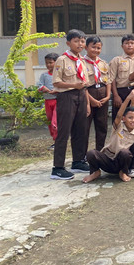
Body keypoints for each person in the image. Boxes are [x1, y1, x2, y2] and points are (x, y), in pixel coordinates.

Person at [50, 30, 91, 180]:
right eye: (76, 41)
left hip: (81, 95)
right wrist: (74, 85)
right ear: (68, 43)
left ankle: (78, 161)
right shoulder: (62, 59)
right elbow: (56, 82)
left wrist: (86, 103)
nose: (80, 44)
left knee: (80, 129)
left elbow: (84, 84)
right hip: (67, 96)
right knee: (64, 131)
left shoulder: (82, 60)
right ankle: (58, 168)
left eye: (82, 41)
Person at [83, 85, 134, 183]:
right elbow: (119, 114)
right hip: (108, 160)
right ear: (124, 119)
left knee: (125, 152)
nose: (133, 120)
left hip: (122, 161)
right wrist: (128, 97)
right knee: (91, 153)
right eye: (130, 118)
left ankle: (123, 172)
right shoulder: (119, 126)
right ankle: (95, 172)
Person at [109, 34, 134, 124]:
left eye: (132, 43)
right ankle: (118, 137)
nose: (129, 45)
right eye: (126, 43)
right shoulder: (116, 60)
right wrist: (116, 96)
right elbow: (112, 79)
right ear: (122, 46)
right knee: (119, 118)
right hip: (121, 92)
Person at [84, 36, 111, 151]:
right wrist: (91, 100)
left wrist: (108, 96)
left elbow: (108, 81)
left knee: (102, 125)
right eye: (93, 47)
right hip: (88, 94)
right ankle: (83, 155)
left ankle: (100, 151)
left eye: (98, 48)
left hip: (103, 95)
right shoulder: (81, 63)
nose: (96, 50)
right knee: (85, 126)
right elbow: (82, 85)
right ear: (86, 47)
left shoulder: (103, 63)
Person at [38, 52, 59, 148]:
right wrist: (43, 88)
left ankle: (59, 141)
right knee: (50, 122)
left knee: (55, 122)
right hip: (48, 101)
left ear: (56, 62)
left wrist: (56, 90)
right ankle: (55, 141)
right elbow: (39, 86)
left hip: (57, 101)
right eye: (46, 63)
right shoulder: (44, 75)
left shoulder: (60, 74)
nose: (48, 65)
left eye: (51, 62)